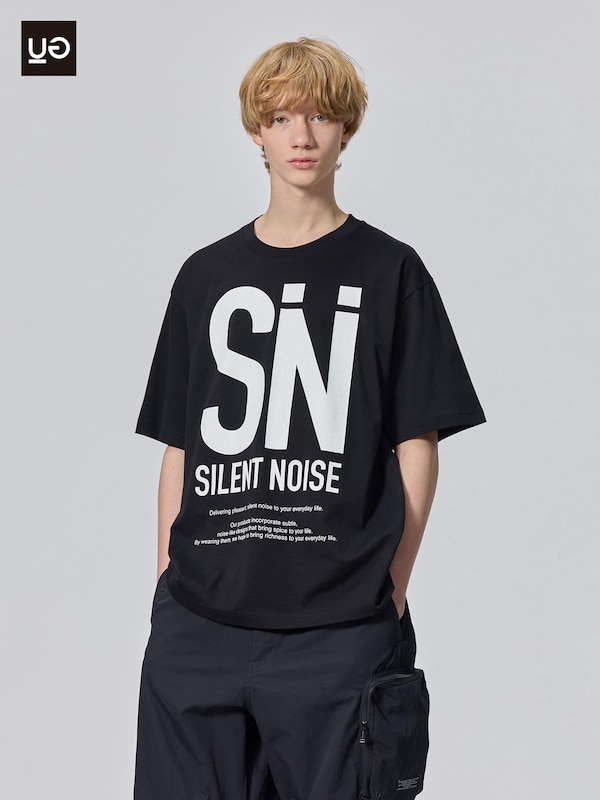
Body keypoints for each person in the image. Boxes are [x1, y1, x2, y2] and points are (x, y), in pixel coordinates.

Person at [133, 37, 485, 800]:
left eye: (321, 116)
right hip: (199, 624)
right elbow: (179, 446)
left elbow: (417, 442)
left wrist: (390, 589)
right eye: (281, 117)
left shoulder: (390, 270)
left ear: (346, 129)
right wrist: (167, 585)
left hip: (339, 628)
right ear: (256, 131)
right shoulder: (206, 276)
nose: (302, 135)